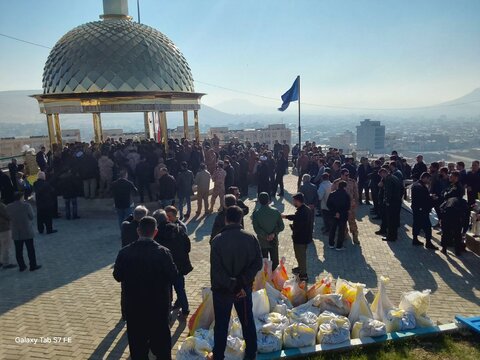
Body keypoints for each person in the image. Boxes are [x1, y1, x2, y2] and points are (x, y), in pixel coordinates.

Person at [113, 216, 178, 360]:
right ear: (155, 232)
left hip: (134, 308)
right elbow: (173, 275)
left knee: (137, 349)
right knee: (162, 349)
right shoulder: (163, 252)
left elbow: (117, 276)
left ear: (138, 231)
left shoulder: (125, 252)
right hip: (158, 307)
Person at [208, 206, 262, 360]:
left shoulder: (217, 240)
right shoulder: (251, 237)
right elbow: (258, 263)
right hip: (243, 290)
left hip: (223, 291)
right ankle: (251, 353)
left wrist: (233, 283)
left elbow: (217, 271)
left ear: (226, 219)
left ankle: (218, 355)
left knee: (221, 324)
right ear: (240, 219)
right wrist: (241, 283)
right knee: (247, 321)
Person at [153, 210, 193, 317]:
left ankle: (168, 312)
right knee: (180, 289)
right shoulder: (178, 229)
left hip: (164, 268)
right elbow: (187, 246)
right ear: (166, 218)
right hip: (179, 266)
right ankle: (185, 310)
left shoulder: (156, 234)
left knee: (166, 290)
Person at [6, 192, 41, 272]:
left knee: (18, 250)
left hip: (16, 231)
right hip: (27, 230)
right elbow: (32, 216)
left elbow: (8, 217)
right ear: (21, 197)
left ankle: (22, 266)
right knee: (30, 249)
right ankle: (33, 265)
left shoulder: (8, 207)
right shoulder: (26, 206)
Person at [282, 193, 312, 282]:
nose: (293, 202)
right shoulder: (306, 209)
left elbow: (298, 222)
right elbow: (296, 217)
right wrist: (286, 216)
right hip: (306, 237)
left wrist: (292, 227)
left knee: (300, 256)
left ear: (298, 201)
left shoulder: (302, 211)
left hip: (300, 239)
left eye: (294, 201)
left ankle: (303, 275)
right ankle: (300, 268)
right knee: (300, 255)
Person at [252, 192, 284, 270]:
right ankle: (275, 279)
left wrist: (265, 235)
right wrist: (273, 234)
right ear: (269, 200)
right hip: (273, 240)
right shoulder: (276, 211)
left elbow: (256, 229)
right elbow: (281, 227)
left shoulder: (256, 214)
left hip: (262, 241)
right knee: (275, 262)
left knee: (264, 263)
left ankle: (265, 279)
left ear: (259, 201)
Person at [440, 171, 468, 255]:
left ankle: (450, 249)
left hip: (453, 210)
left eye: (451, 176)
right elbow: (444, 193)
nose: (449, 177)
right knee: (453, 231)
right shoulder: (452, 185)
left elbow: (446, 195)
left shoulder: (457, 187)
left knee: (449, 231)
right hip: (454, 210)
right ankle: (452, 250)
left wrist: (445, 194)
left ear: (456, 177)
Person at [331, 169, 359, 244]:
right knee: (342, 222)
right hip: (341, 207)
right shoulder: (336, 182)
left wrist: (356, 203)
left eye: (348, 175)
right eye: (346, 175)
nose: (348, 176)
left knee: (352, 221)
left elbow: (356, 193)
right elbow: (332, 194)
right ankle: (344, 235)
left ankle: (355, 236)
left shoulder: (352, 182)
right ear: (342, 175)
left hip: (350, 206)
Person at [410, 172, 438, 250]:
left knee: (417, 224)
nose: (429, 181)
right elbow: (423, 199)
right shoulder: (420, 187)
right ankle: (428, 242)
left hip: (417, 209)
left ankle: (415, 239)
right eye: (428, 179)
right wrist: (431, 198)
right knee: (427, 226)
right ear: (424, 178)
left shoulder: (417, 185)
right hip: (421, 210)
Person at [379, 167, 403, 242]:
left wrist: (387, 202)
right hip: (397, 201)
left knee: (390, 220)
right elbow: (402, 188)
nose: (381, 177)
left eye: (381, 175)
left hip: (391, 203)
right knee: (394, 220)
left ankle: (390, 237)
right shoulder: (394, 177)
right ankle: (394, 235)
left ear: (384, 173)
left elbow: (388, 192)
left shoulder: (388, 180)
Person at [327, 180, 351, 250]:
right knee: (341, 231)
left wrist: (335, 212)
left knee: (332, 230)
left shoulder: (332, 194)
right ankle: (339, 246)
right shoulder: (346, 195)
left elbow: (328, 204)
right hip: (343, 215)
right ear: (345, 187)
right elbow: (347, 206)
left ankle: (331, 244)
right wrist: (340, 213)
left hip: (333, 215)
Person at [0, 199, 16, 269]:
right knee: (6, 246)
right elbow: (8, 215)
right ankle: (6, 263)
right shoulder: (1, 206)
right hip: (3, 228)